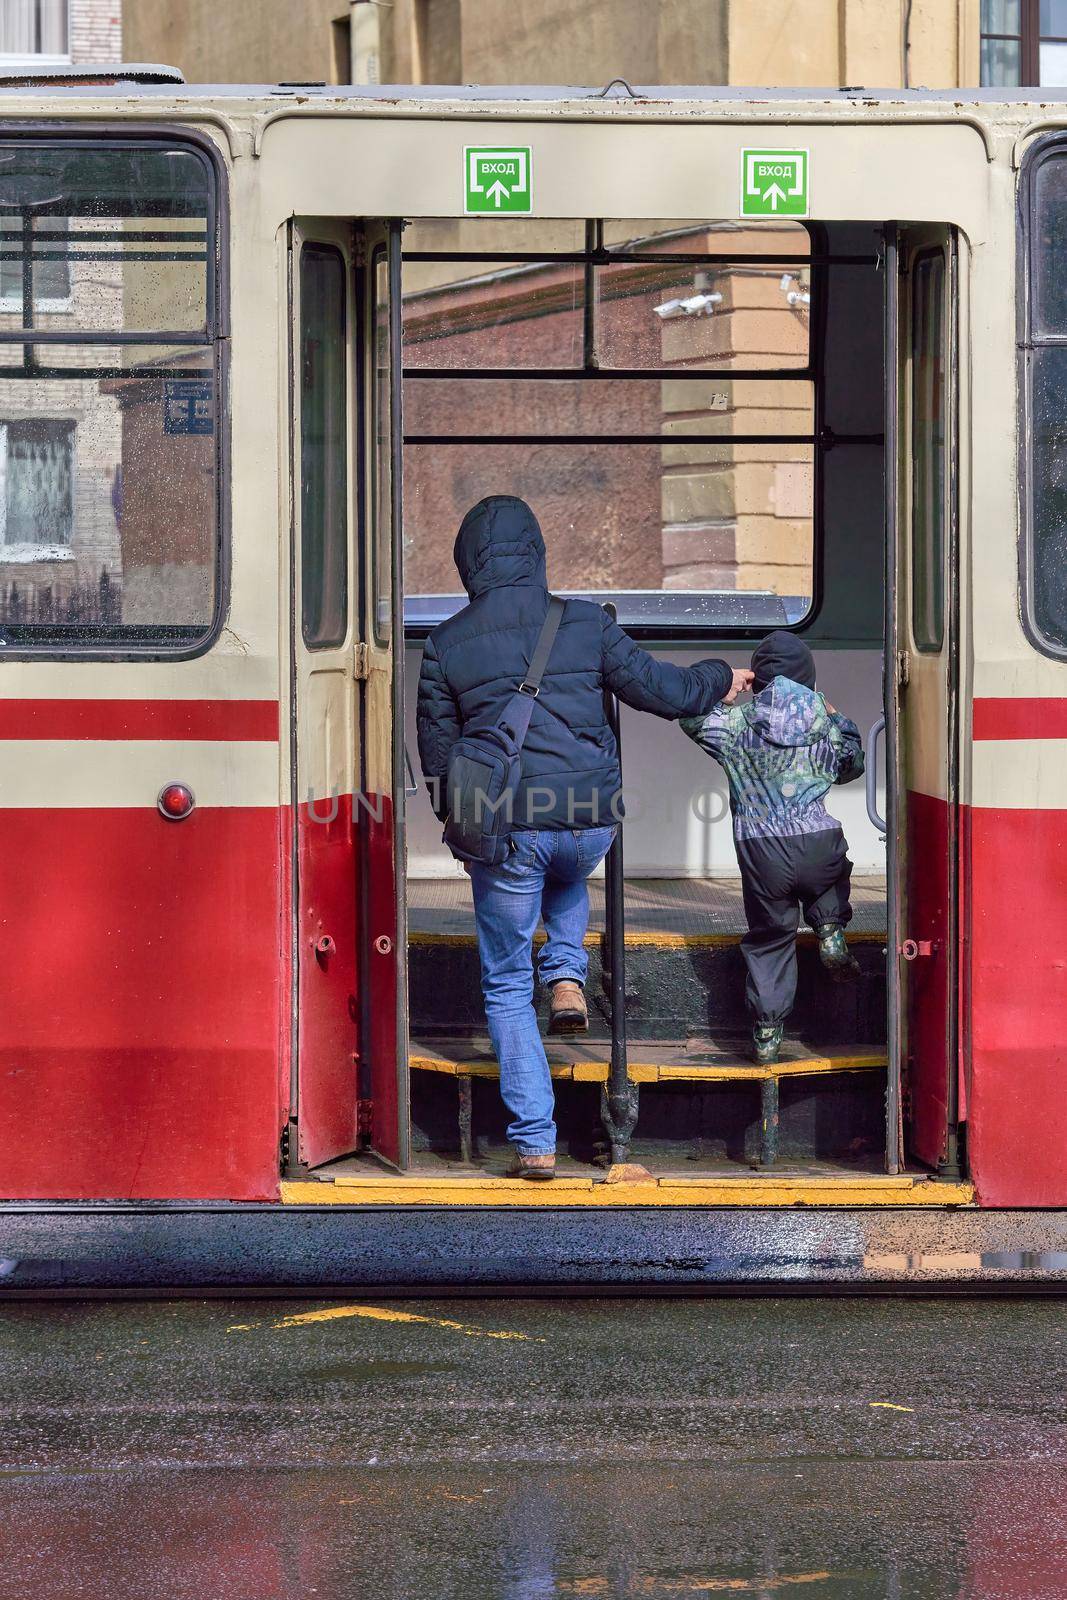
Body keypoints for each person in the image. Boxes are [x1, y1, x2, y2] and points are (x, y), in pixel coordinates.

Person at [417, 495, 751, 1180]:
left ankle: (535, 1142)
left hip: (509, 828)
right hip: (588, 822)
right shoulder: (583, 624)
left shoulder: (446, 643)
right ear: (535, 553)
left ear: (467, 564)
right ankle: (567, 972)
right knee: (567, 867)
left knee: (506, 987)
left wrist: (460, 827)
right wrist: (719, 678)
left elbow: (439, 755)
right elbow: (664, 690)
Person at [680, 630, 865, 1065]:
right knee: (831, 875)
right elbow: (850, 767)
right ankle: (831, 929)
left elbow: (689, 717)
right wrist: (839, 720)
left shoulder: (737, 725)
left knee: (770, 939)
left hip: (762, 852)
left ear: (758, 678)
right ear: (808, 679)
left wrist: (725, 690)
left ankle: (767, 1032)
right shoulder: (823, 722)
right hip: (818, 840)